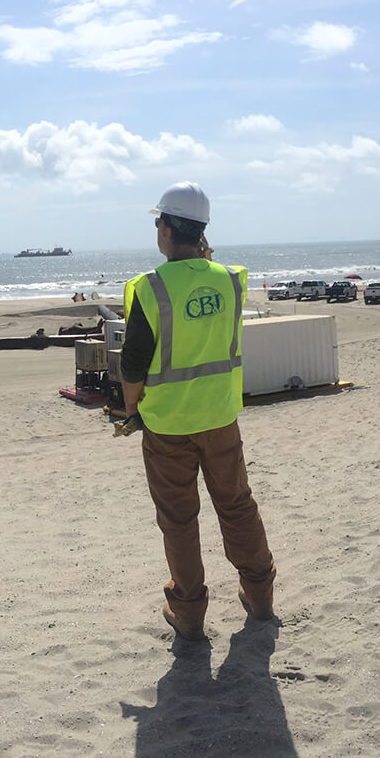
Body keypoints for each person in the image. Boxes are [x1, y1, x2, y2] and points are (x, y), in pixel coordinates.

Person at [116, 182, 276, 640]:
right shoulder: (230, 279)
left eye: (158, 222)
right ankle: (260, 594)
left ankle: (188, 614)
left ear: (165, 228)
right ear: (202, 232)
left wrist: (133, 410)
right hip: (221, 417)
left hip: (167, 425)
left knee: (180, 520)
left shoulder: (148, 289)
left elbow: (133, 362)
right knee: (237, 505)